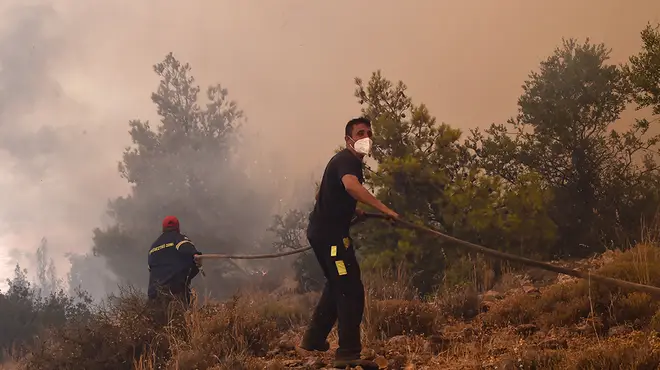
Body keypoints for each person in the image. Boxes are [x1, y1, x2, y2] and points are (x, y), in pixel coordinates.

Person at [299, 117, 399, 368]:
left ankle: (313, 340)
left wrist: (353, 211)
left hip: (325, 234)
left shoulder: (345, 162)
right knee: (349, 287)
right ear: (348, 140)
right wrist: (383, 208)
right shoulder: (347, 160)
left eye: (368, 133)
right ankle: (348, 353)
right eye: (360, 133)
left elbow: (325, 192)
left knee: (337, 284)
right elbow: (351, 187)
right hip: (331, 239)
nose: (366, 137)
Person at [147, 215, 203, 311]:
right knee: (178, 322)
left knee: (155, 324)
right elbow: (186, 247)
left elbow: (150, 268)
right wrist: (195, 255)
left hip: (154, 295)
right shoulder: (178, 238)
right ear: (178, 227)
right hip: (174, 293)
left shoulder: (153, 247)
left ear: (163, 228)